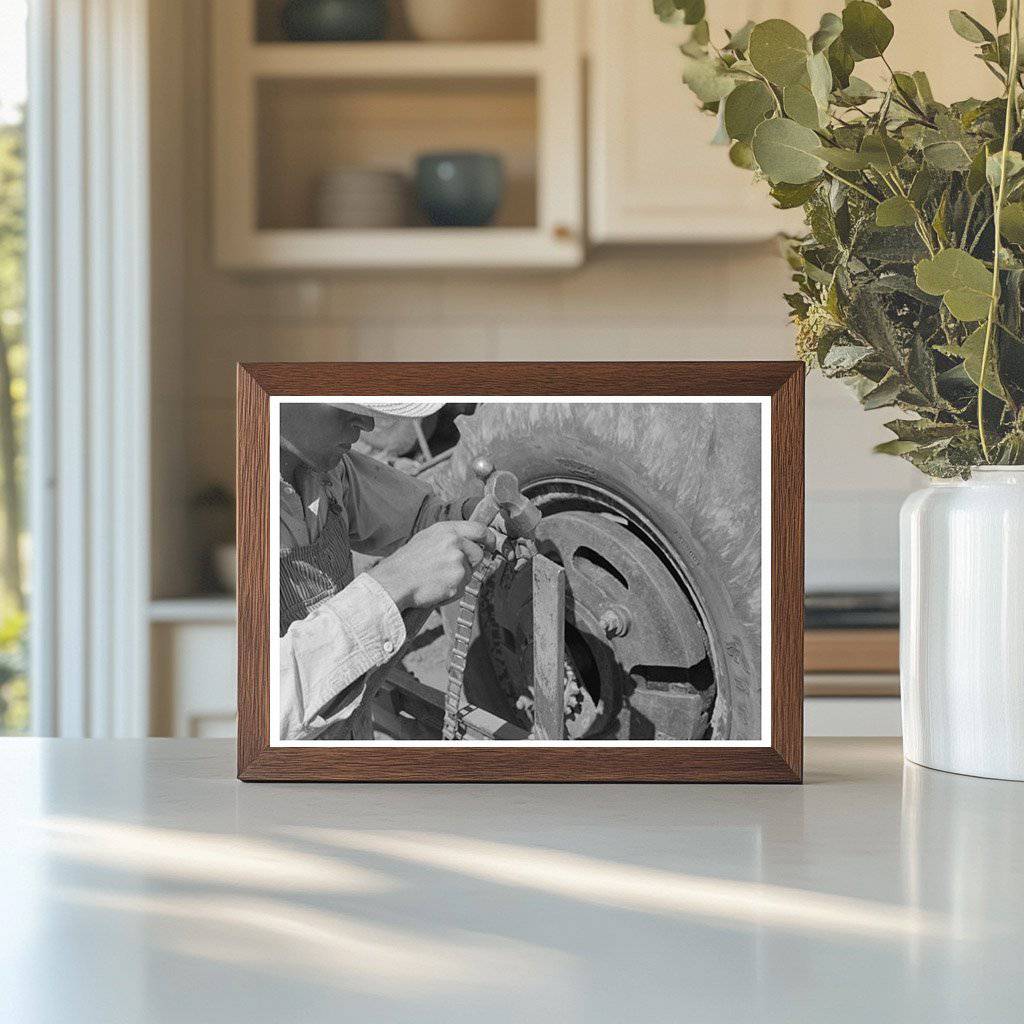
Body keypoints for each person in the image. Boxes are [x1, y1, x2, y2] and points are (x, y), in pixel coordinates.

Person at [278, 401, 493, 741]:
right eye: (344, 406)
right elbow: (259, 709)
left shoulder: (326, 471)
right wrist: (394, 583)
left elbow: (420, 516)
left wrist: (471, 515)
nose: (367, 423)